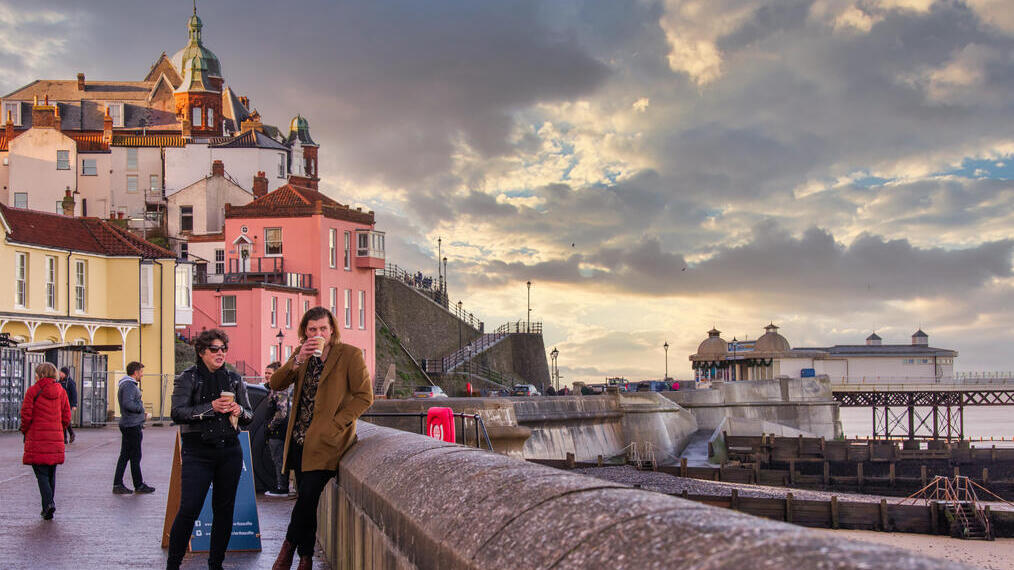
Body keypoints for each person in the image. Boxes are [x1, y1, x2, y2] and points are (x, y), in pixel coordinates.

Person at [270, 307, 373, 570]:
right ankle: (305, 559)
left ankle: (287, 551)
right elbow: (276, 384)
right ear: (305, 331)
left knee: (307, 497)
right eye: (312, 329)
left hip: (328, 442)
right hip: (299, 441)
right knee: (307, 500)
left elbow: (364, 396)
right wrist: (295, 361)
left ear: (332, 330)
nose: (318, 334)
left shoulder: (348, 355)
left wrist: (336, 424)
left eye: (323, 329)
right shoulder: (301, 354)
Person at [166, 329, 254, 570]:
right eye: (214, 349)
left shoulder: (235, 379)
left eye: (223, 349)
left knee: (224, 511)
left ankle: (216, 564)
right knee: (189, 508)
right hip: (197, 451)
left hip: (230, 451)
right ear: (202, 352)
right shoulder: (189, 377)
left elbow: (249, 415)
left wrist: (238, 411)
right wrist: (210, 408)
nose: (220, 353)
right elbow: (177, 413)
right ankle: (173, 564)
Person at [21, 362, 71, 520]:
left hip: (37, 437)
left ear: (41, 374)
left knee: (41, 473)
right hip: (55, 437)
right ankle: (47, 506)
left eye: (36, 373)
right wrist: (60, 429)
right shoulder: (61, 391)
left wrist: (25, 429)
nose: (35, 376)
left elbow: (26, 414)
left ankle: (49, 504)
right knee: (51, 473)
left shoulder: (33, 391)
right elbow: (66, 415)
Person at [113, 361, 155, 495]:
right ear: (135, 372)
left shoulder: (125, 385)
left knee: (125, 455)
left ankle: (118, 484)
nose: (142, 375)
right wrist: (141, 410)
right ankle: (138, 484)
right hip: (132, 425)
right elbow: (128, 404)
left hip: (127, 423)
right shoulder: (130, 386)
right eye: (141, 372)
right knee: (135, 456)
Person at [262, 361, 291, 497]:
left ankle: (282, 488)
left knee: (279, 459)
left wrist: (270, 426)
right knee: (276, 458)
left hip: (278, 432)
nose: (266, 375)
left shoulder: (279, 389)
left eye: (269, 373)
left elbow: (282, 413)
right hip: (276, 431)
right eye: (266, 373)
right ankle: (280, 485)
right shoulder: (273, 388)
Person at [57, 367, 78, 444]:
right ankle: (67, 436)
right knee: (63, 421)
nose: (59, 373)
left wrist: (74, 404)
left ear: (65, 373)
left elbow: (74, 394)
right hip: (60, 404)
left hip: (67, 404)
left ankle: (68, 435)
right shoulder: (59, 381)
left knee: (65, 420)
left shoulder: (70, 382)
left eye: (61, 372)